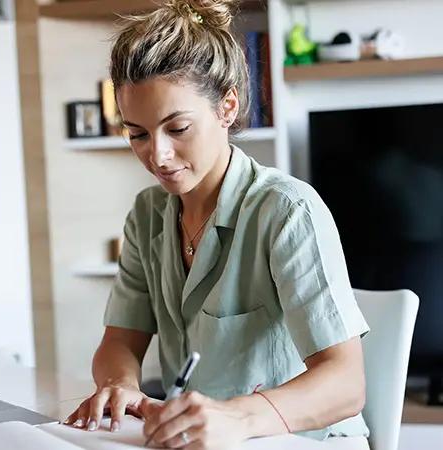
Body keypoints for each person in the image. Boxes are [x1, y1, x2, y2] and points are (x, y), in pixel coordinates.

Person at [64, 1, 371, 448]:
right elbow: (120, 341)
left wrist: (237, 419)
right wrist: (120, 384)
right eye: (139, 134)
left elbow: (346, 383)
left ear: (227, 107)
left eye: (178, 128)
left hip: (305, 440)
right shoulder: (148, 215)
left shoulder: (287, 211)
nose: (158, 156)